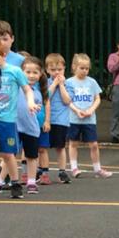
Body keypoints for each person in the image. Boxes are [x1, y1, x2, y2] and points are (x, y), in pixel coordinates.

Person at [0, 47, 39, 199]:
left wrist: (31, 103)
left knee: (11, 153)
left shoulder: (16, 76)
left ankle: (22, 182)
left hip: (17, 124)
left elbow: (28, 91)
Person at [63, 53, 112, 179]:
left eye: (87, 68)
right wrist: (76, 110)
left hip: (89, 119)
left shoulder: (92, 82)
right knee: (73, 143)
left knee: (94, 144)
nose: (85, 71)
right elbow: (67, 100)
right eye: (82, 68)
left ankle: (97, 168)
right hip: (74, 119)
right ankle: (74, 168)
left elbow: (97, 98)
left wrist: (91, 110)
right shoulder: (69, 82)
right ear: (74, 67)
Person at [16, 56, 48, 195]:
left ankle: (31, 182)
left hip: (31, 129)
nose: (31, 75)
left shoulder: (38, 92)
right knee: (9, 155)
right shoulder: (16, 87)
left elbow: (37, 108)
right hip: (15, 127)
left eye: (35, 72)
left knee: (32, 156)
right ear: (21, 72)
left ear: (41, 74)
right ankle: (0, 181)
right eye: (27, 72)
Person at [45, 53, 72, 183]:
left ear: (64, 69)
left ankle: (62, 171)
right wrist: (54, 84)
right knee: (42, 147)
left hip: (61, 120)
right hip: (47, 120)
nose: (56, 72)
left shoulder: (68, 84)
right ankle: (42, 170)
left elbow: (67, 100)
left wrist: (61, 85)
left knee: (60, 147)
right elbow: (45, 97)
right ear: (47, 70)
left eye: (59, 69)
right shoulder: (45, 82)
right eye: (53, 70)